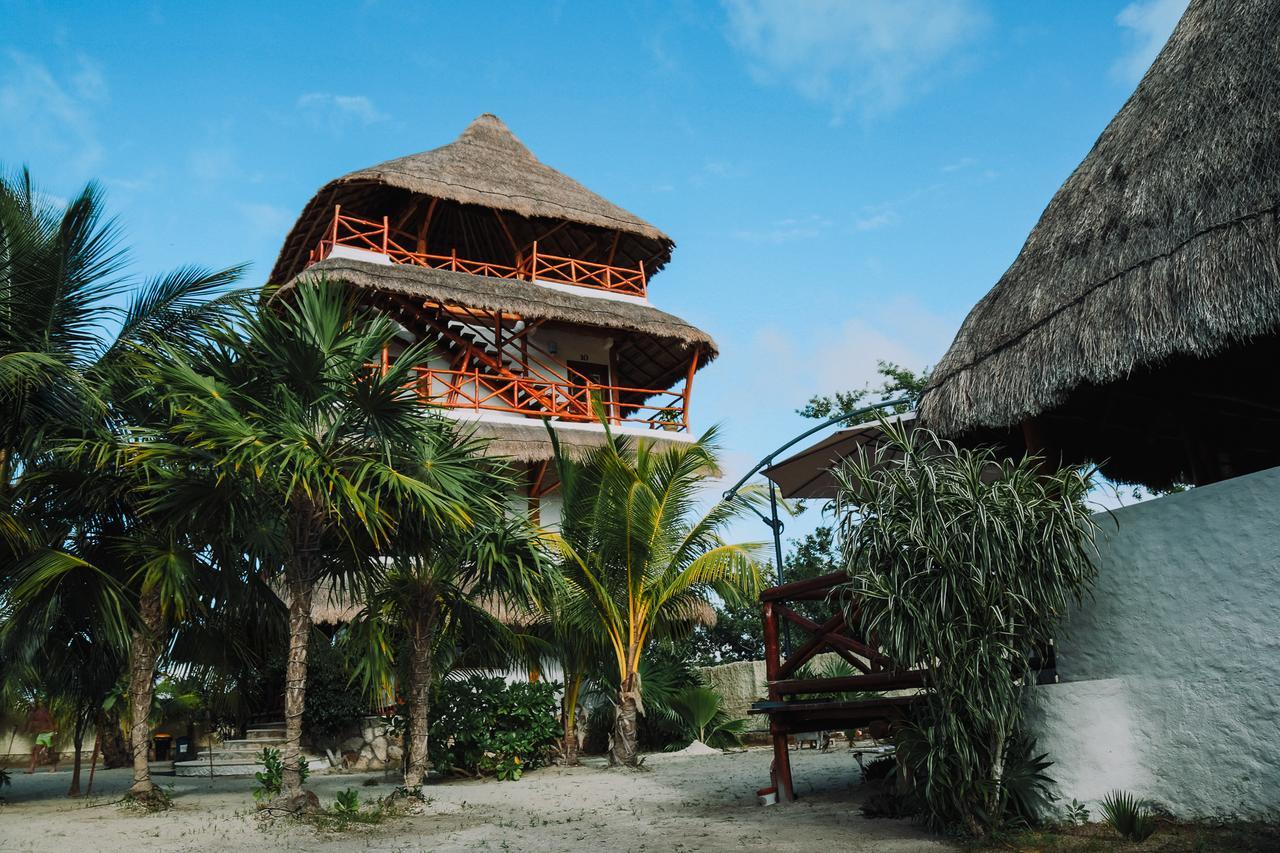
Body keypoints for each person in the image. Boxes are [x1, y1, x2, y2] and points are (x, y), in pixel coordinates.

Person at [25, 704, 57, 774]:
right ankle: (31, 769)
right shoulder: (33, 715)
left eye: (31, 707)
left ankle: (53, 767)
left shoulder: (44, 712)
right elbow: (32, 724)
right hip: (41, 735)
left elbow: (51, 721)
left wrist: (54, 733)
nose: (30, 708)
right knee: (35, 752)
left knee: (51, 752)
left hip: (49, 734)